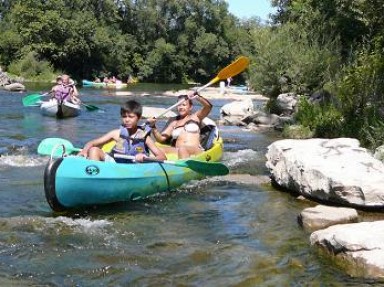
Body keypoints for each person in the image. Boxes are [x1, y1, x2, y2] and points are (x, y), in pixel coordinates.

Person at [78, 100, 167, 163]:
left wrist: (146, 158)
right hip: (115, 163)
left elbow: (162, 157)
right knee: (94, 150)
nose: (127, 120)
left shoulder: (144, 137)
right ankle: (95, 175)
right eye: (124, 117)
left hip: (133, 167)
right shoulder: (116, 133)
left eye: (131, 117)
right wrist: (84, 150)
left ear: (139, 118)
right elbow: (93, 143)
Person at [147, 91, 212, 159]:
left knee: (182, 149)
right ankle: (154, 166)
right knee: (156, 150)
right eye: (179, 105)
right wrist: (153, 126)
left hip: (195, 149)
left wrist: (197, 96)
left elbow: (208, 107)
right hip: (178, 150)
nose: (181, 107)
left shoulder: (196, 117)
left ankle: (185, 168)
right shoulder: (174, 123)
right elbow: (161, 139)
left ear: (190, 107)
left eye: (184, 105)